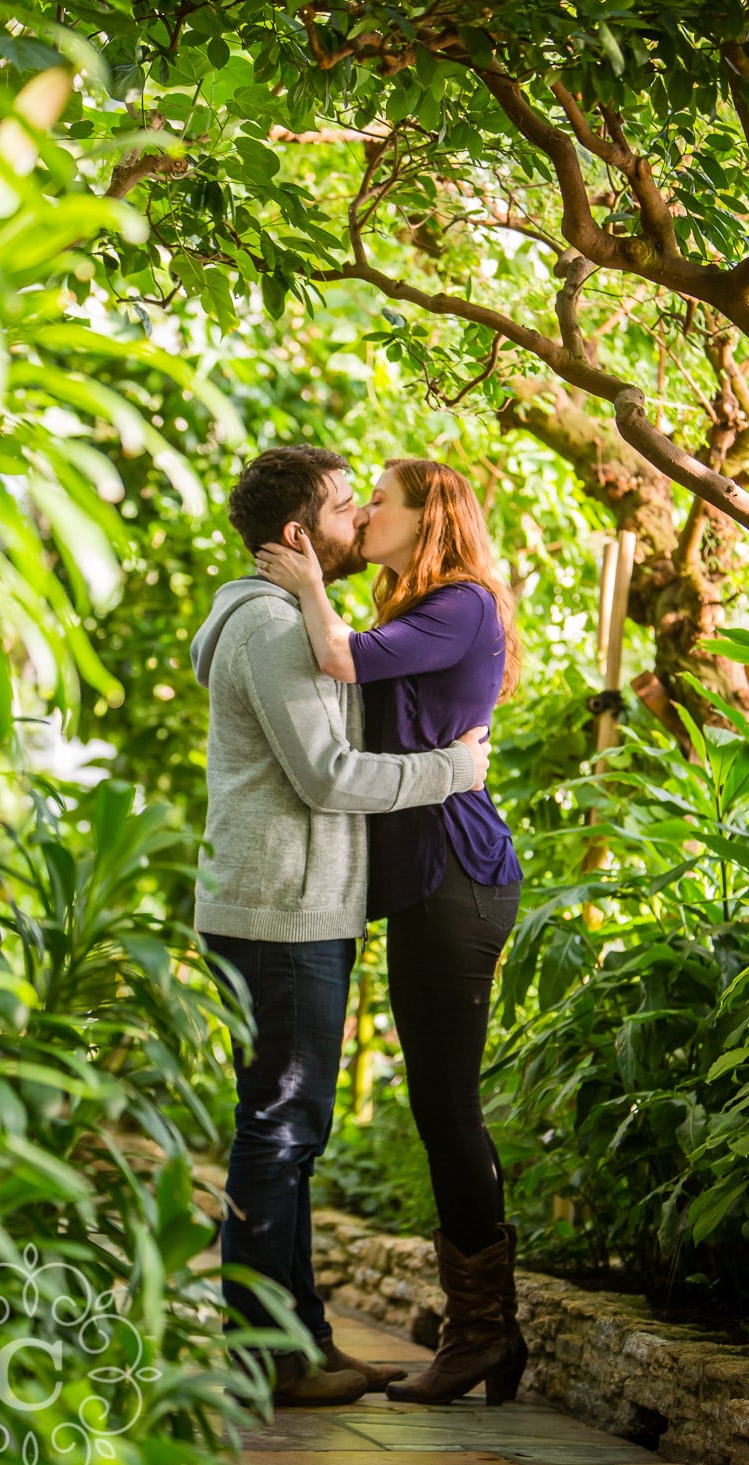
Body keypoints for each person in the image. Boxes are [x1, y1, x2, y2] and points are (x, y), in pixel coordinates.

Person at [191, 446, 492, 1407]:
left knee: (292, 1127)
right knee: (280, 1128)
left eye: (369, 504)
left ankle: (301, 1342)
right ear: (297, 538)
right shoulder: (278, 627)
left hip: (298, 900)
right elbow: (325, 775)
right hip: (283, 906)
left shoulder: (295, 615)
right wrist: (451, 770)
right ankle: (262, 1354)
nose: (357, 519)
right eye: (340, 508)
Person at [255, 457, 526, 1406]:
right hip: (424, 883)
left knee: (447, 1107)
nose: (365, 513)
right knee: (440, 1105)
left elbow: (341, 661)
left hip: (458, 875)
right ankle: (488, 1335)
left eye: (381, 500)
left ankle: (482, 1333)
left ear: (429, 515)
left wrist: (303, 584)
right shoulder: (420, 604)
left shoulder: (463, 603)